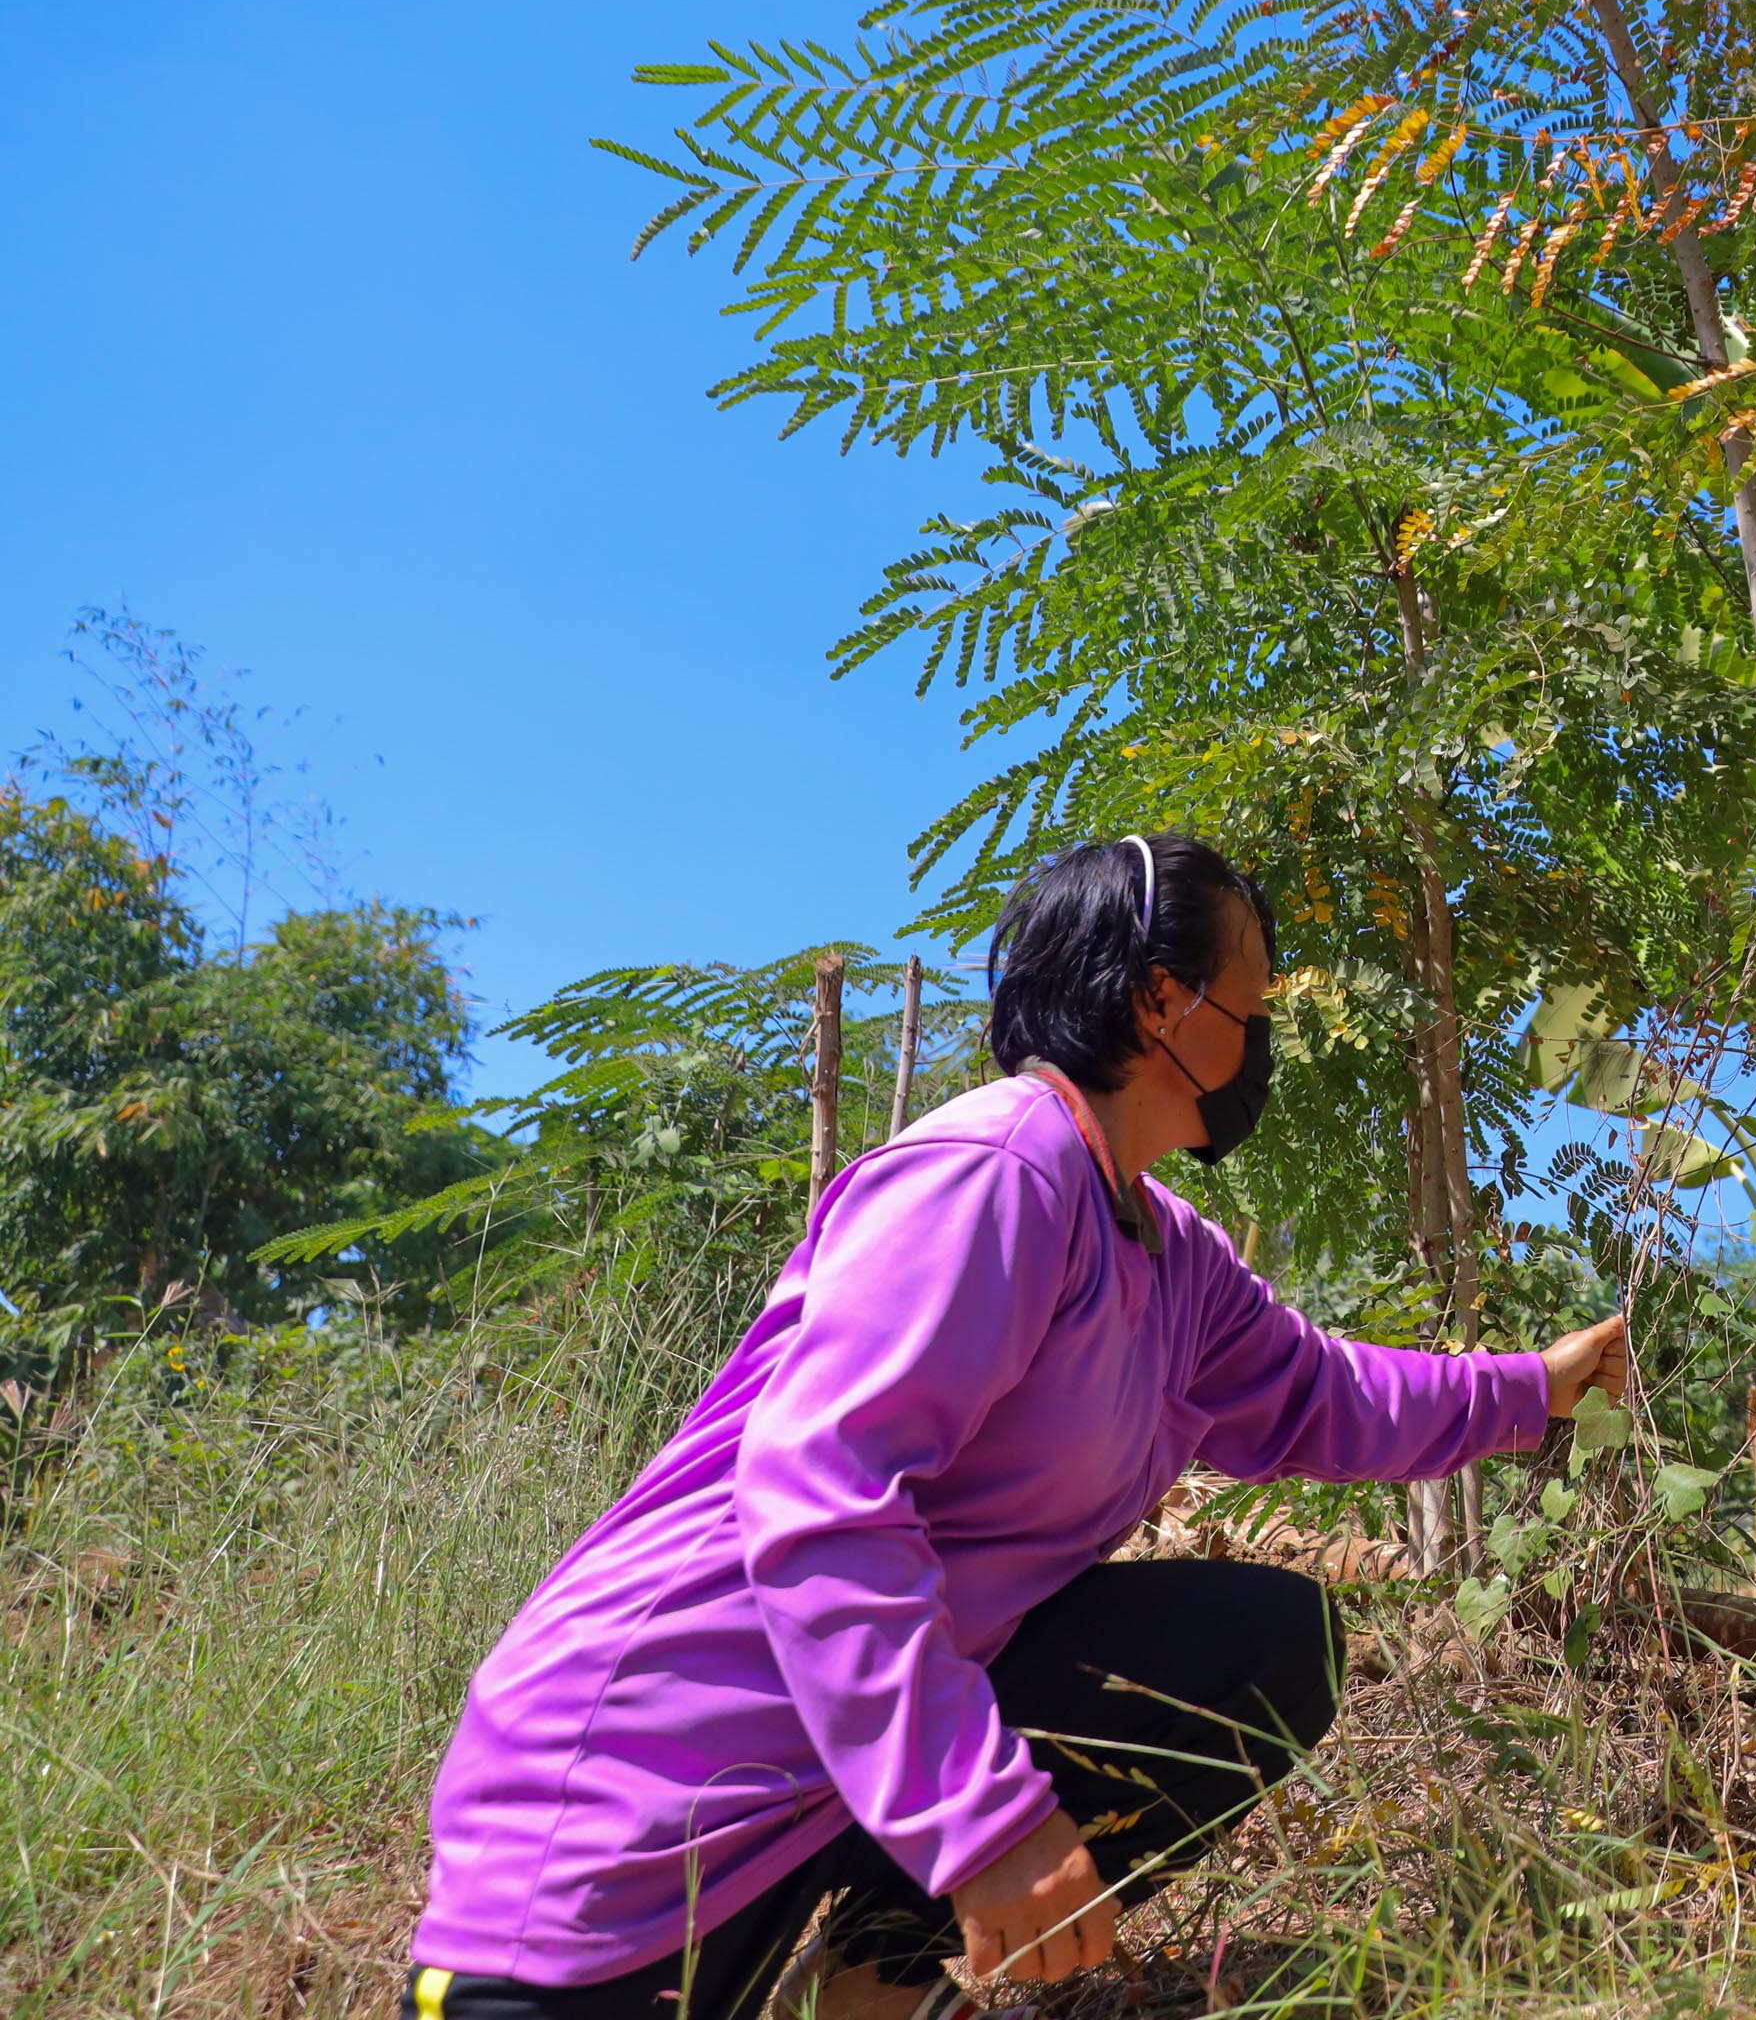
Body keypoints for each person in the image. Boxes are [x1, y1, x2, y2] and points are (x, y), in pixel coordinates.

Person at [403, 834, 1630, 2020]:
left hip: (821, 1782)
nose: (1265, 1045)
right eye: (1252, 1013)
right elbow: (818, 1485)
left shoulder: (1162, 1249)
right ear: (1162, 1003)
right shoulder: (997, 1171)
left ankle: (883, 1977)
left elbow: (1325, 1396)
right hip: (646, 1787)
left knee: (1267, 1641)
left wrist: (1538, 1387)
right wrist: (977, 1818)